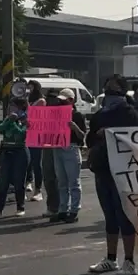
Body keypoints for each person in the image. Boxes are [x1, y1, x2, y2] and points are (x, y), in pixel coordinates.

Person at [87, 75, 138, 275]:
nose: (109, 92)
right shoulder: (100, 113)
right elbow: (90, 137)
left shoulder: (129, 113)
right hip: (102, 169)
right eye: (107, 88)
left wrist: (110, 132)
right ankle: (111, 259)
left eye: (114, 88)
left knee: (124, 217)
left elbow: (134, 139)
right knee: (109, 217)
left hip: (121, 171)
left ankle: (129, 261)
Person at [0, 96, 30, 219]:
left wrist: (14, 123)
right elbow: (0, 129)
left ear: (20, 107)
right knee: (3, 182)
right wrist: (9, 121)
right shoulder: (8, 119)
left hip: (20, 152)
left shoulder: (25, 120)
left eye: (13, 106)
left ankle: (20, 207)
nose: (10, 108)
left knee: (18, 181)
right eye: (10, 106)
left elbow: (21, 134)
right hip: (6, 151)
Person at [52, 88, 87, 223]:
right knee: (62, 181)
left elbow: (83, 135)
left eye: (63, 101)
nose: (60, 103)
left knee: (73, 181)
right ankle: (63, 209)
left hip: (71, 147)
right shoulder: (55, 114)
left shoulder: (77, 115)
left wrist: (74, 128)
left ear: (71, 101)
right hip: (57, 147)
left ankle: (74, 210)